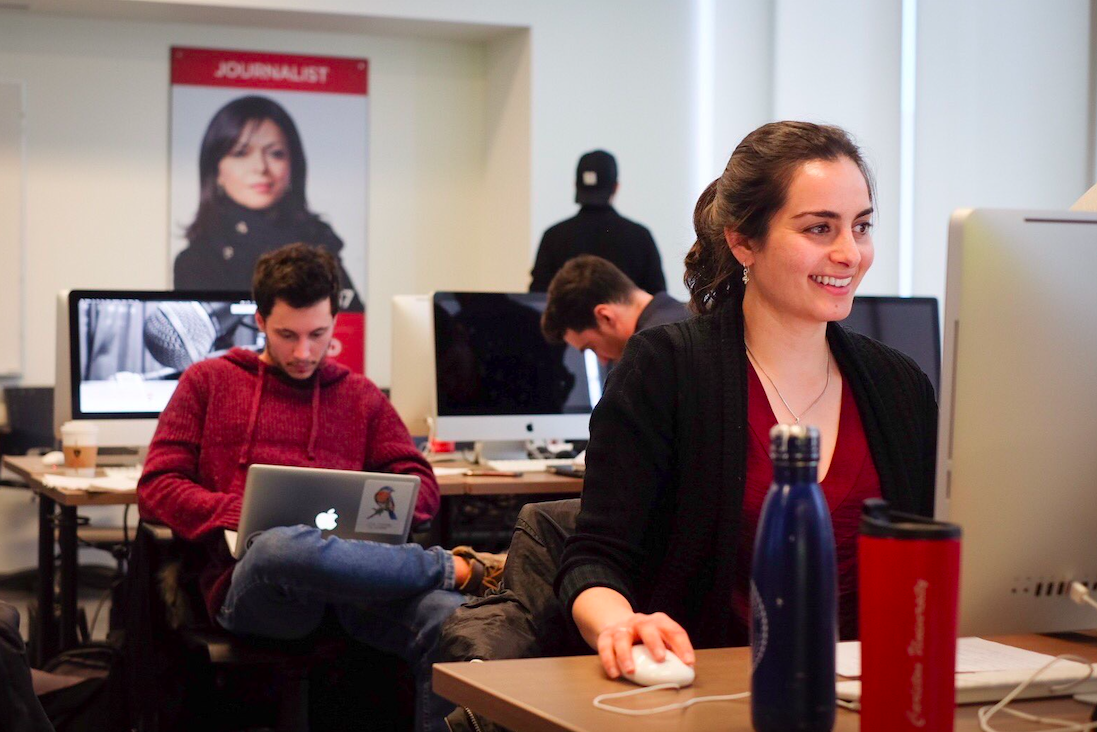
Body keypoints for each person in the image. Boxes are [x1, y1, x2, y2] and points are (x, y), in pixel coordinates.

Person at [555, 121, 938, 681]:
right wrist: (620, 623)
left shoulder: (897, 385)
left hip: (878, 696)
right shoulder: (668, 369)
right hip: (713, 698)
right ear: (742, 242)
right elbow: (594, 559)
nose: (849, 253)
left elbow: (936, 560)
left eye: (860, 227)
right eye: (818, 228)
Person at [138, 243, 501, 732]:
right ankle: (454, 567)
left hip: (359, 590)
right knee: (276, 545)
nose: (304, 352)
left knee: (456, 621)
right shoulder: (209, 381)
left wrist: (381, 504)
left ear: (335, 319)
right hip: (256, 591)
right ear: (260, 320)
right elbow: (158, 485)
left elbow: (423, 489)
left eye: (318, 334)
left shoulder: (359, 395)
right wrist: (236, 513)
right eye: (287, 335)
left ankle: (450, 583)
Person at [174, 95, 362, 312]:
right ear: (216, 171)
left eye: (275, 153)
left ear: (294, 166)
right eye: (241, 153)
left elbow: (349, 325)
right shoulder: (198, 261)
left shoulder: (319, 244)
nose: (261, 167)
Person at [529, 150, 666, 294]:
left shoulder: (553, 236)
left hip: (567, 317)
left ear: (575, 185)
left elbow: (538, 298)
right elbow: (657, 300)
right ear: (615, 187)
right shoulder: (640, 236)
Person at [540, 254, 689, 362]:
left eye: (591, 348)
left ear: (605, 317)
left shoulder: (647, 352)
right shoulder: (697, 315)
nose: (602, 360)